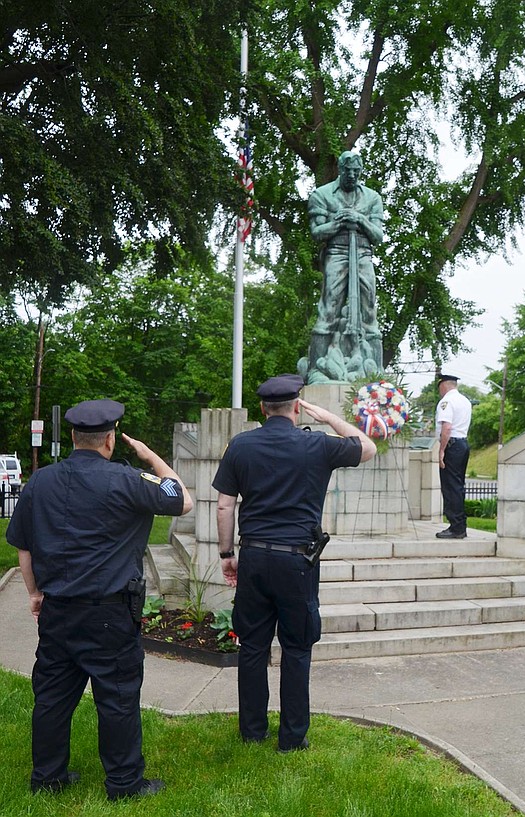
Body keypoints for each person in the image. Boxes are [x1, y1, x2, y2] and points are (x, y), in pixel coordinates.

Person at [6, 399, 192, 800]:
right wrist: (148, 456)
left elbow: (23, 547)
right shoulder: (128, 479)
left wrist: (35, 594)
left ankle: (47, 778)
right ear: (110, 440)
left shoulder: (40, 481)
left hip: (58, 610)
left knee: (52, 698)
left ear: (73, 437)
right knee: (118, 697)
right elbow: (182, 499)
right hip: (110, 614)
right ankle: (124, 785)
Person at [212, 374, 376, 752]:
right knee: (297, 648)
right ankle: (292, 738)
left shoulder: (240, 445)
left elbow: (224, 505)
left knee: (252, 646)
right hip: (296, 562)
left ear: (262, 409)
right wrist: (329, 418)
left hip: (253, 555)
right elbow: (367, 447)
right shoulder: (316, 444)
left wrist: (226, 555)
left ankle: (252, 732)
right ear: (297, 406)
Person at [306, 151, 384, 380]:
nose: (351, 175)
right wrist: (337, 222)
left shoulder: (372, 198)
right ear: (340, 169)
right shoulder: (321, 195)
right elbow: (316, 232)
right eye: (347, 170)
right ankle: (315, 370)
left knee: (369, 308)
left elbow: (378, 236)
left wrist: (360, 220)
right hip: (337, 252)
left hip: (363, 253)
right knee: (329, 307)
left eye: (356, 171)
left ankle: (375, 373)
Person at [435, 375, 472, 539]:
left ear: (443, 386)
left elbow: (447, 427)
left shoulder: (446, 402)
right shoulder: (465, 401)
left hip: (451, 445)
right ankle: (460, 525)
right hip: (462, 444)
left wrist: (442, 450)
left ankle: (456, 527)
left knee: (450, 487)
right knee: (458, 486)